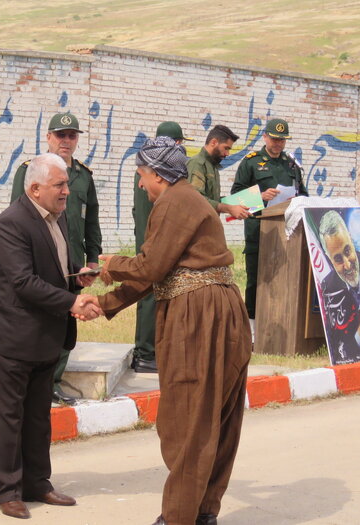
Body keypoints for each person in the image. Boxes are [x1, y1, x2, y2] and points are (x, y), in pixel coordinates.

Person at [88, 137, 251, 525]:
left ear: (158, 174)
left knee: (189, 418)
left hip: (200, 317)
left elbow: (149, 268)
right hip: (218, 312)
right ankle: (203, 512)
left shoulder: (175, 202)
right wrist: (106, 304)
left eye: (142, 176)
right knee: (215, 417)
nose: (141, 184)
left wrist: (110, 264)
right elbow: (158, 274)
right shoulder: (188, 199)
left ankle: (179, 517)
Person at [0, 153, 99, 519]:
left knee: (37, 418)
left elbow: (49, 269)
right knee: (7, 418)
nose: (67, 190)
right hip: (12, 339)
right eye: (60, 185)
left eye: (67, 183)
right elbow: (23, 282)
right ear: (34, 189)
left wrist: (74, 277)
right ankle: (8, 490)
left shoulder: (58, 219)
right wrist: (73, 302)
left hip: (45, 337)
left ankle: (37, 483)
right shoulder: (10, 223)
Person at [10, 112, 102, 404]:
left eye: (72, 135)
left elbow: (92, 221)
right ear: (48, 137)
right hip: (39, 260)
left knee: (65, 320)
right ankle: (36, 380)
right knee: (39, 319)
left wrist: (93, 259)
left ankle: (54, 380)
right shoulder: (31, 170)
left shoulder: (83, 176)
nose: (66, 140)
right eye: (60, 135)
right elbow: (17, 215)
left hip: (71, 262)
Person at [230, 118, 308, 329]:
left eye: (282, 140)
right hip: (259, 232)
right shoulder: (251, 162)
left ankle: (282, 324)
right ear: (265, 137)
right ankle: (253, 329)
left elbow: (305, 195)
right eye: (274, 139)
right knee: (256, 281)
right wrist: (261, 196)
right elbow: (234, 198)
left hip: (288, 233)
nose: (278, 144)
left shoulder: (291, 164)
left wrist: (296, 200)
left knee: (285, 280)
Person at [131, 121, 193, 373]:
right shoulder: (155, 170)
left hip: (151, 236)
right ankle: (145, 353)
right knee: (149, 292)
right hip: (153, 238)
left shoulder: (149, 166)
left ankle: (152, 350)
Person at [318, 210, 360, 364]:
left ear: (351, 240)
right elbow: (341, 350)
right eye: (337, 259)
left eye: (347, 251)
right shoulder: (329, 288)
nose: (347, 264)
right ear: (329, 259)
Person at [186, 125, 250, 219]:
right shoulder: (197, 164)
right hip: (197, 228)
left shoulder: (212, 166)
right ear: (214, 142)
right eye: (226, 148)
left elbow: (212, 200)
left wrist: (237, 206)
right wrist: (228, 208)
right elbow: (196, 199)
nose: (227, 154)